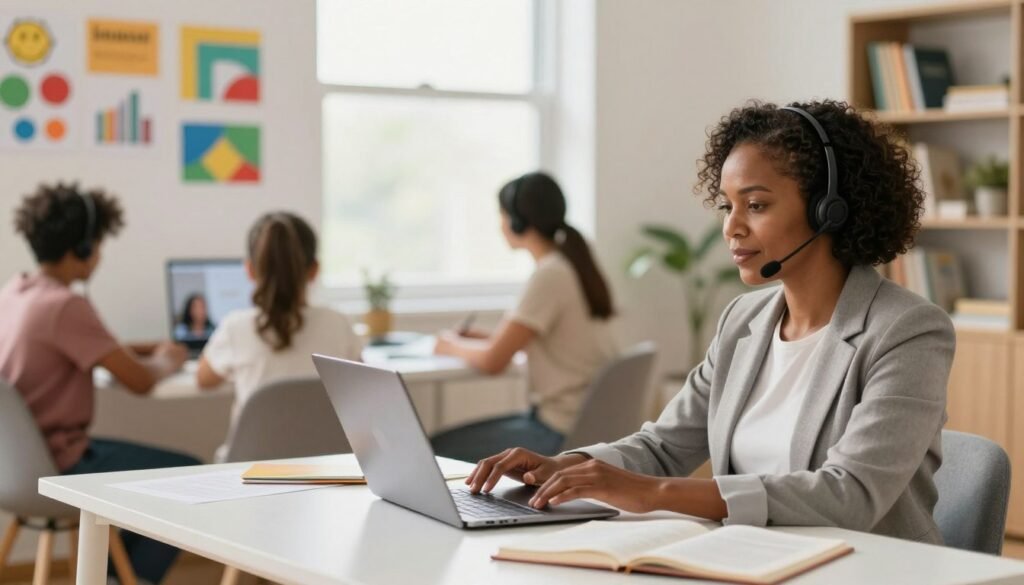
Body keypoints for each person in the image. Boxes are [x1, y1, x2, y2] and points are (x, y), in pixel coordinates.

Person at [465, 100, 956, 545]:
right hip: (754, 559)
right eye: (727, 205)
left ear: (830, 211)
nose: (731, 226)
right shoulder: (744, 320)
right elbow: (662, 446)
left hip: (867, 569)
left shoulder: (907, 331)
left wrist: (655, 493)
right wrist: (569, 465)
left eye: (756, 205)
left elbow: (849, 496)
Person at [0, 182, 199, 584]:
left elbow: (95, 347)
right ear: (84, 248)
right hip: (62, 465)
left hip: (14, 468)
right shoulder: (67, 305)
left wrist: (141, 348)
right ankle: (116, 577)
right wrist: (168, 358)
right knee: (192, 479)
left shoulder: (16, 292)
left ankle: (103, 573)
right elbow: (140, 382)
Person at [431, 172, 619, 462]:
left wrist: (448, 344)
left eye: (502, 215)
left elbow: (494, 361)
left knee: (431, 448)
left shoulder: (549, 275)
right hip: (582, 421)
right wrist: (488, 338)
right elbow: (533, 341)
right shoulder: (570, 263)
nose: (500, 224)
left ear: (518, 221)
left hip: (556, 430)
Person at [196, 211, 363, 461]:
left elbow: (204, 380)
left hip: (250, 473)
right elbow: (360, 383)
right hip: (326, 469)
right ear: (314, 270)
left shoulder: (236, 327)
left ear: (249, 270)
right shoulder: (338, 323)